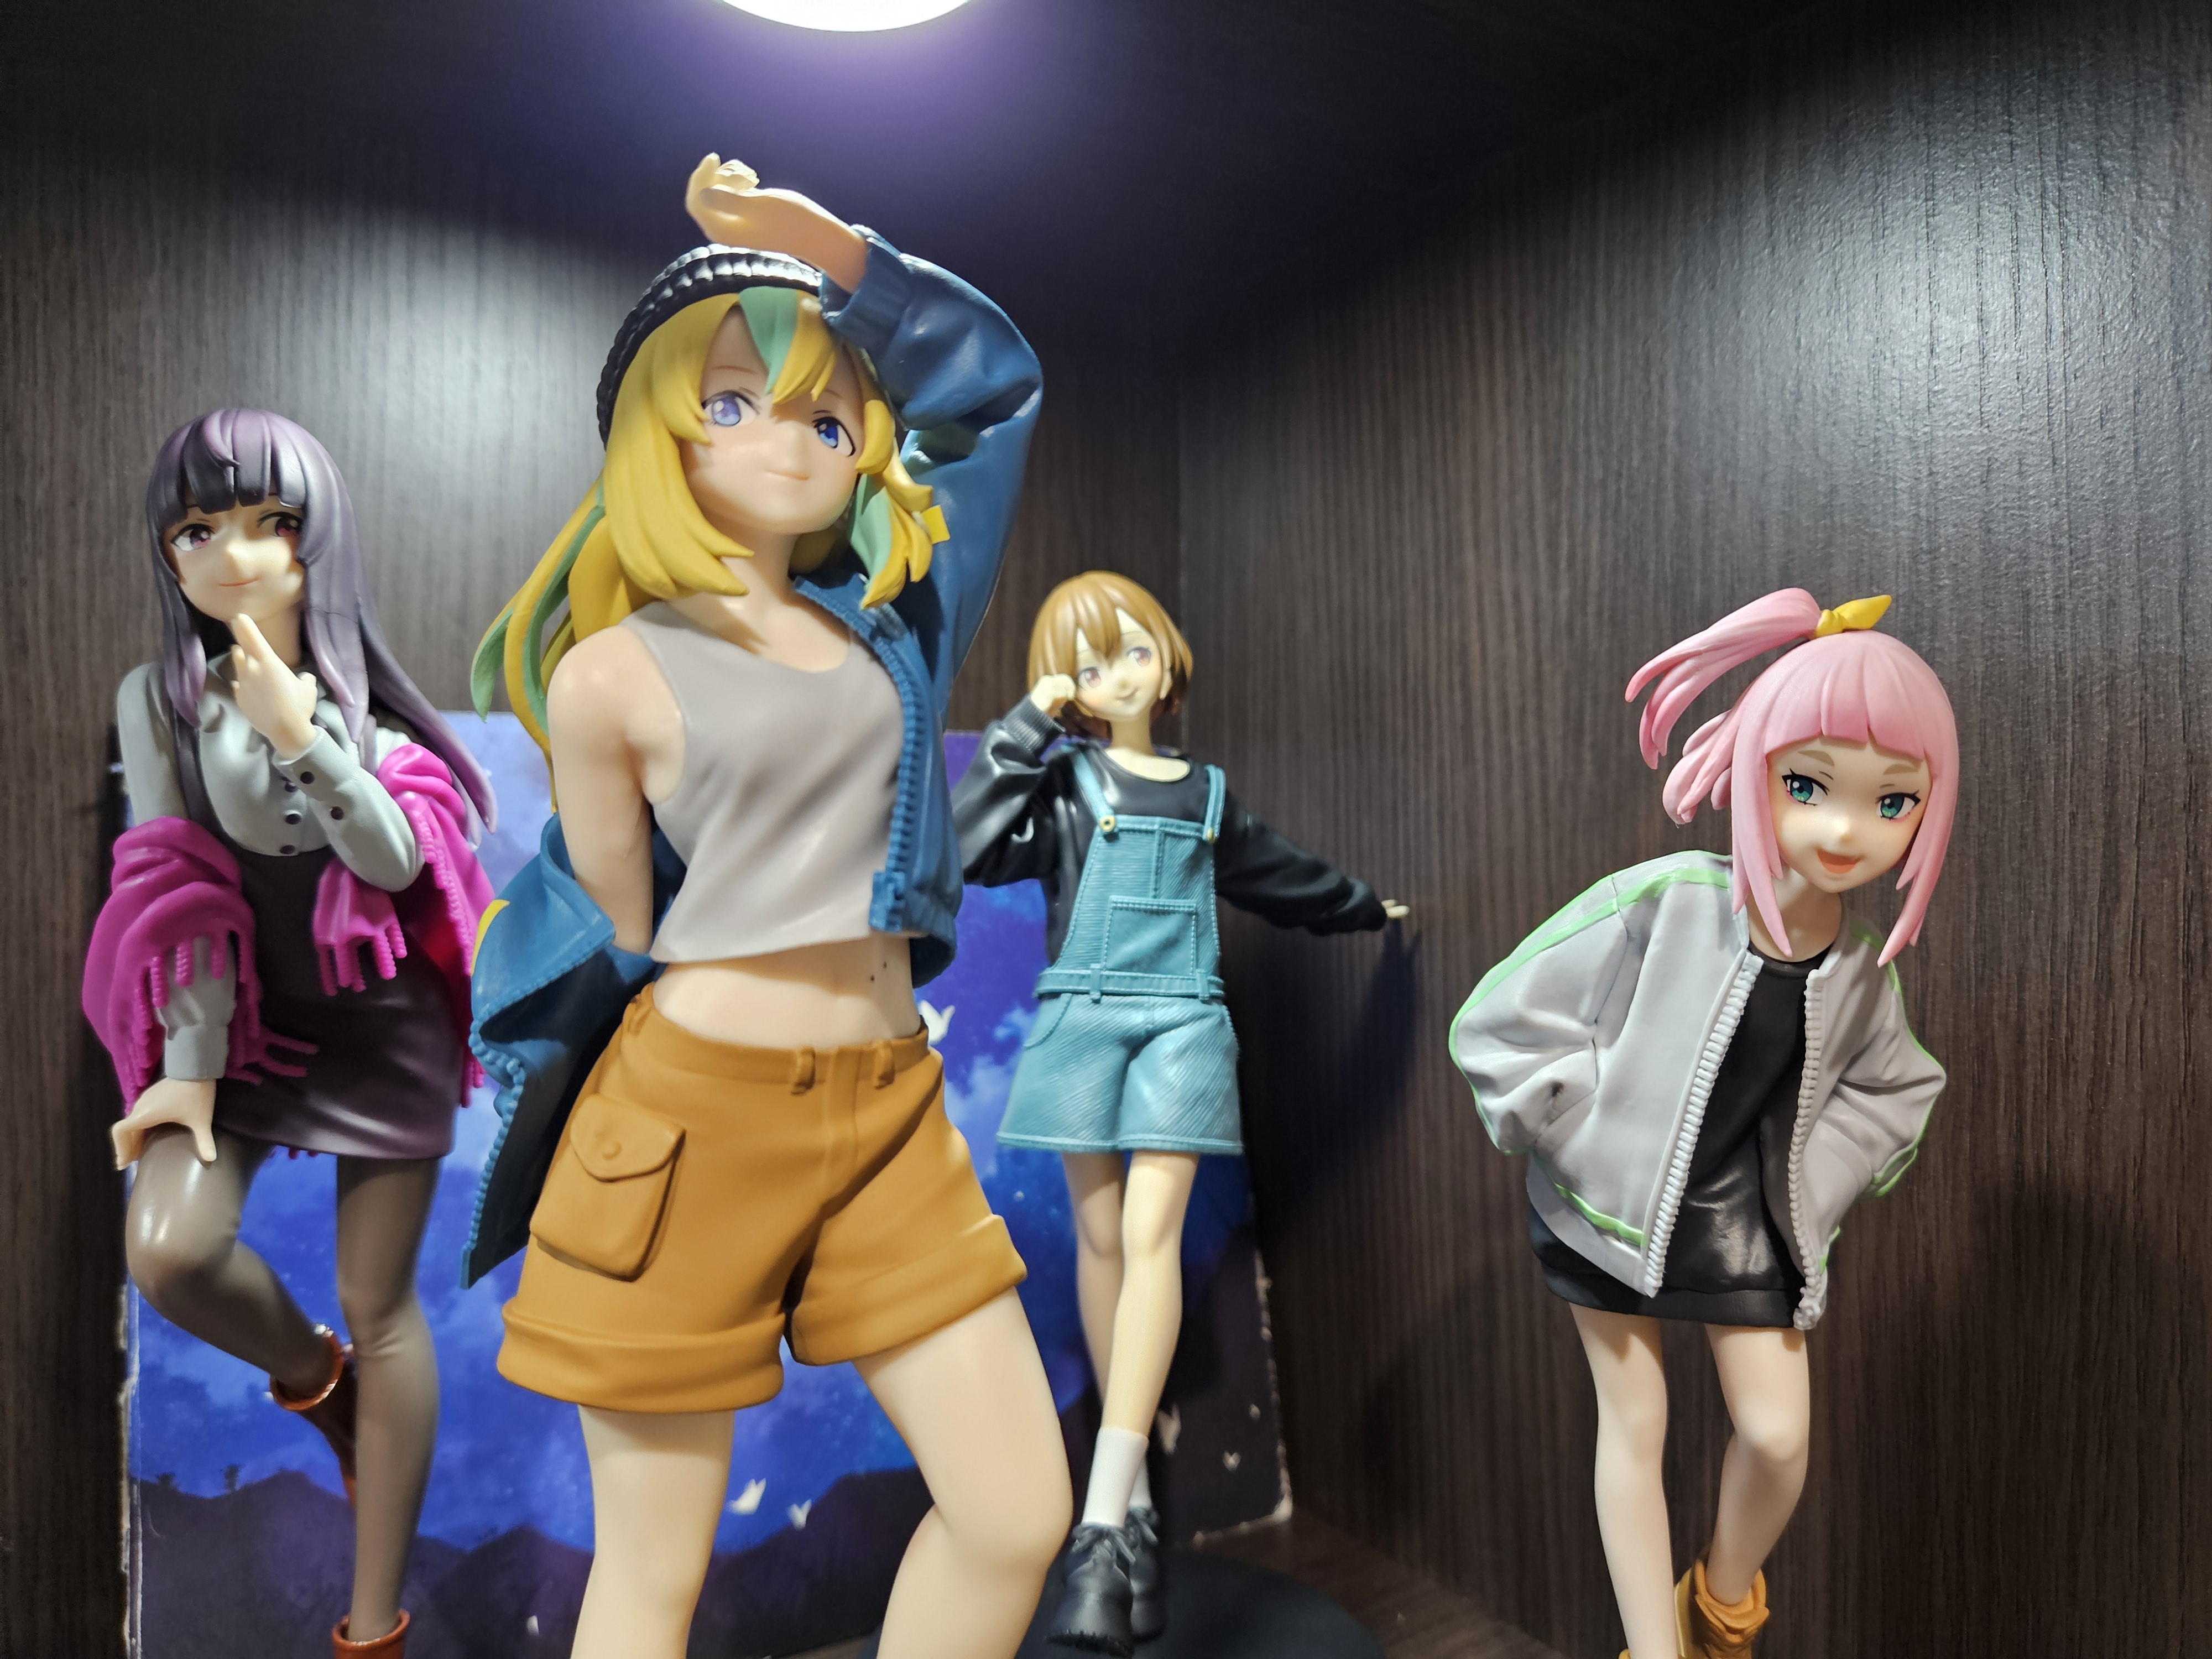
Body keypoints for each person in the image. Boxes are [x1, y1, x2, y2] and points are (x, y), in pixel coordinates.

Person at [462, 156, 1068, 1659]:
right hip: (690, 1124)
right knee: (652, 1576)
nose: (785, 444)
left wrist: (835, 254)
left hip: (889, 1113)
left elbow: (993, 396)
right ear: (654, 436)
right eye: (728, 404)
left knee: (1014, 1511)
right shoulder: (612, 675)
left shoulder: (894, 631)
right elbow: (619, 919)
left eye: (825, 418)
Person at [1451, 590, 1954, 1659]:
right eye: (1807, 784)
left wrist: (1814, 1186)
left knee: (1777, 1437)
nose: (1845, 829)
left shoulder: (1860, 972)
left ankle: (1720, 1613)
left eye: (1892, 801)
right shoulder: (1669, 898)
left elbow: (1895, 1091)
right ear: (1754, 767)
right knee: (1634, 1425)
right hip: (1609, 1209)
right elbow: (1504, 1017)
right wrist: (1580, 1134)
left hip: (1744, 1219)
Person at [86, 408, 495, 1657]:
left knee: (384, 1303)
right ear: (168, 553)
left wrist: (298, 732)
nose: (234, 555)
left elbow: (392, 861)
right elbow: (176, 881)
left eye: (270, 523)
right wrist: (190, 1067)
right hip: (248, 1024)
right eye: (197, 530)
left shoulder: (368, 710)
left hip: (385, 1022)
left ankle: (373, 1632)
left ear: (320, 543)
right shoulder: (157, 699)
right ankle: (323, 1384)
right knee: (169, 1250)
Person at [954, 570, 1406, 1654]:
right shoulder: (1062, 787)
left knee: (1149, 1235)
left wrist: (1358, 908)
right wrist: (1026, 723)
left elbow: (1279, 874)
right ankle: (1142, 1512)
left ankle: (1103, 1520)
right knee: (1102, 1240)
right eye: (1088, 662)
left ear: (1164, 655)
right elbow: (967, 848)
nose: (1117, 675)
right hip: (1079, 1017)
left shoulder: (1206, 796)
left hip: (1180, 1024)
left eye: (1131, 650)